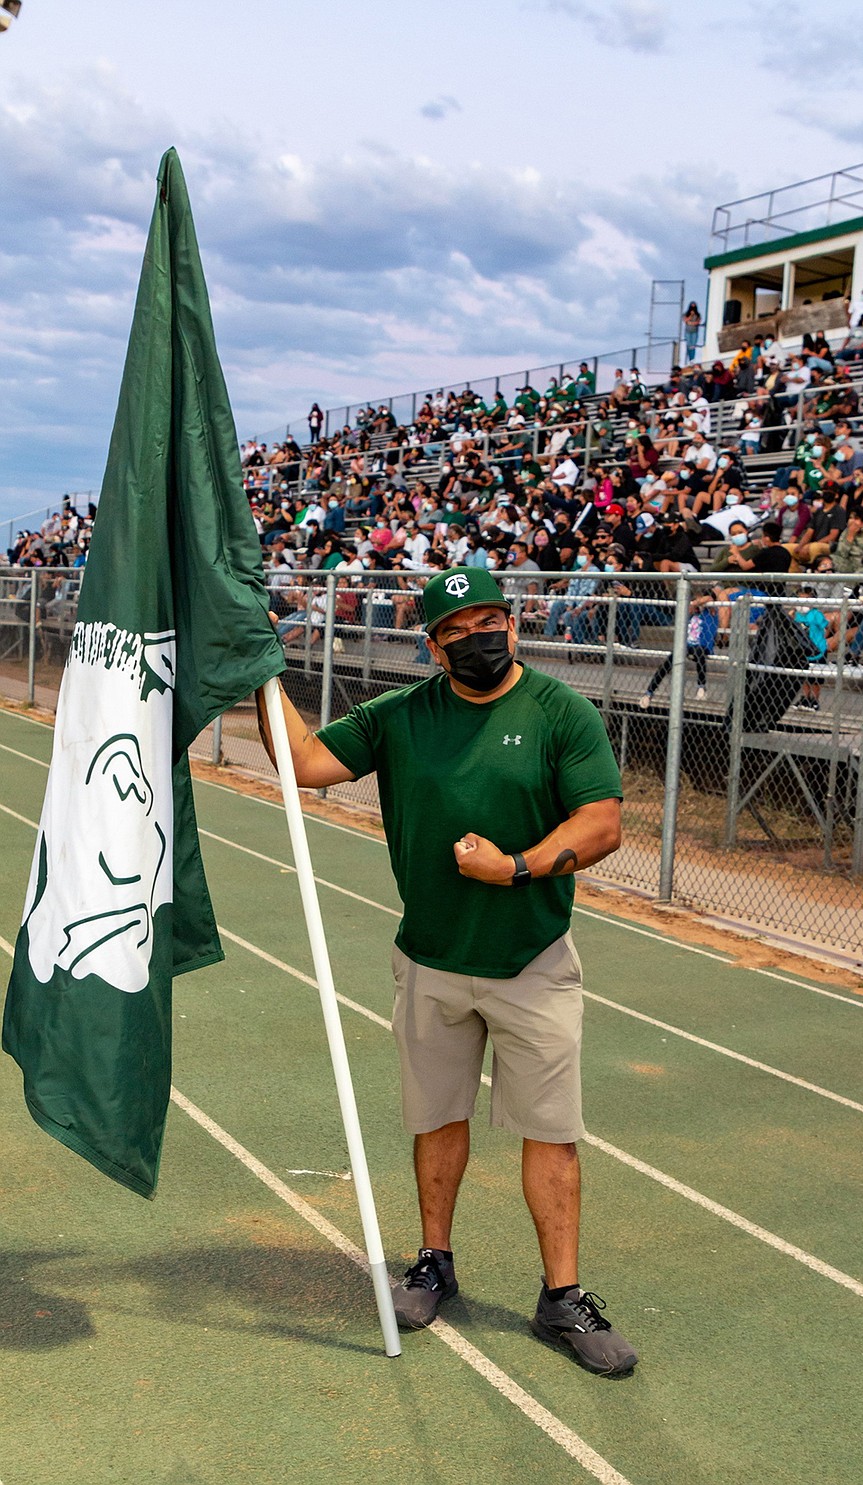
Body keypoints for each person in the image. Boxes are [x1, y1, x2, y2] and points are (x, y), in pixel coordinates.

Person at [256, 566, 636, 1376]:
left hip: (531, 960)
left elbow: (601, 823)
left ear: (514, 623)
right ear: (432, 646)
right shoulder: (403, 715)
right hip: (430, 958)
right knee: (436, 1117)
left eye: (489, 618)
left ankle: (561, 1297)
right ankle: (434, 1261)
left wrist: (519, 868)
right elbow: (305, 761)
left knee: (551, 1131)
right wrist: (258, 658)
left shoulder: (560, 712)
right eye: (457, 629)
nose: (477, 636)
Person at [638, 588, 718, 705]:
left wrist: (695, 603)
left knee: (699, 652)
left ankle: (701, 686)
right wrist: (693, 607)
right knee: (670, 659)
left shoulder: (711, 612)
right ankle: (649, 692)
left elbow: (709, 599)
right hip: (687, 646)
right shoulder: (693, 615)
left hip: (702, 646)